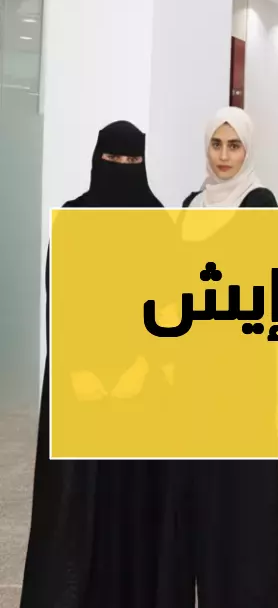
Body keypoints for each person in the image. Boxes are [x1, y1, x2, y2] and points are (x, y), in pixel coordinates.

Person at [22, 121, 171, 608]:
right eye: (114, 161)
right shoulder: (74, 217)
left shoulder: (158, 221)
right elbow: (61, 299)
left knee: (131, 508)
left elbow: (167, 305)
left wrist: (143, 368)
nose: (123, 170)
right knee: (73, 510)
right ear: (96, 160)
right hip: (80, 385)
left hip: (138, 391)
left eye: (132, 162)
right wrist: (77, 371)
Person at [170, 107, 278, 607]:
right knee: (198, 497)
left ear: (248, 150)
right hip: (190, 378)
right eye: (217, 144)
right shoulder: (191, 204)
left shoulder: (259, 202)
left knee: (240, 501)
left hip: (241, 380)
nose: (224, 156)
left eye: (234, 145)